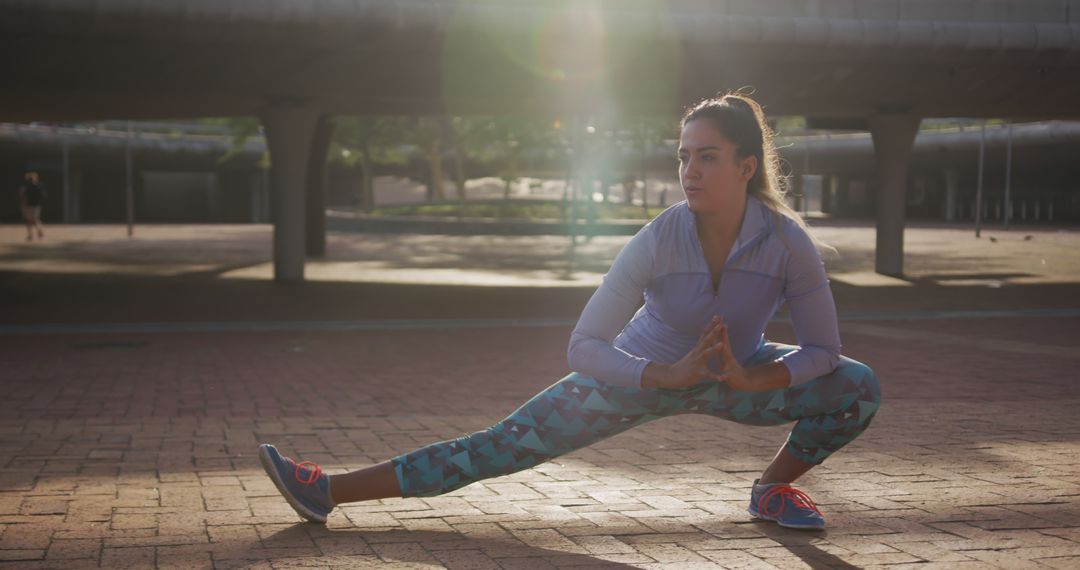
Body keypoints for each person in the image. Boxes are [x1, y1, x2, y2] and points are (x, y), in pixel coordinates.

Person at [258, 93, 881, 531]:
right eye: (683, 156)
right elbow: (584, 346)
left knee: (858, 387)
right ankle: (326, 491)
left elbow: (823, 353)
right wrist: (662, 375)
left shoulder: (786, 242)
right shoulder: (657, 238)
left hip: (734, 381)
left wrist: (750, 377)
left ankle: (771, 487)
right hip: (636, 379)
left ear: (747, 166)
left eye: (708, 157)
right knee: (495, 447)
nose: (690, 171)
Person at [18, 172, 46, 241]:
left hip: (35, 206)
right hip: (29, 206)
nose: (31, 180)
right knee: (29, 220)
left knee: (34, 219)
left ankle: (38, 231)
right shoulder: (26, 187)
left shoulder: (38, 187)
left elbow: (42, 196)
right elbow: (23, 197)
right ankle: (31, 234)